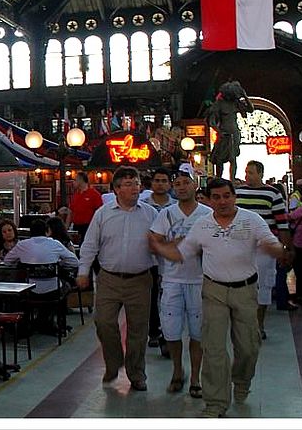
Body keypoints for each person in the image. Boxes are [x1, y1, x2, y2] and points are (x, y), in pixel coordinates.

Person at [150, 177, 286, 419]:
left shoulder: (251, 219)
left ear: (234, 197)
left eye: (226, 196)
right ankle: (215, 403)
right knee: (213, 348)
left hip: (245, 291)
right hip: (213, 290)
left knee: (248, 347)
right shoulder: (202, 225)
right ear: (209, 200)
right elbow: (182, 253)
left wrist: (276, 248)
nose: (222, 201)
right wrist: (160, 248)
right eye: (216, 197)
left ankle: (242, 380)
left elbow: (270, 241)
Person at [76, 166, 158, 392]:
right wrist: (83, 271)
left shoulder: (151, 214)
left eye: (137, 183)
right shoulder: (103, 213)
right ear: (117, 189)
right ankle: (113, 363)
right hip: (109, 279)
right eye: (129, 184)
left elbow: (160, 245)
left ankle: (136, 373)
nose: (135, 188)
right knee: (103, 322)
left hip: (141, 279)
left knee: (138, 330)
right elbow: (90, 244)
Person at [148, 165, 212, 398]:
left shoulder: (207, 214)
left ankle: (196, 377)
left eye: (186, 182)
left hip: (199, 281)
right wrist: (174, 247)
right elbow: (153, 242)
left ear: (195, 185)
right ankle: (178, 370)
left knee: (197, 333)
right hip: (172, 280)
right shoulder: (166, 214)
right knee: (172, 332)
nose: (182, 187)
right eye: (178, 184)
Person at [235, 160, 290, 339]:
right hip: (241, 247)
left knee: (263, 286)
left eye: (251, 172)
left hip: (264, 248)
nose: (247, 176)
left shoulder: (272, 194)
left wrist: (284, 248)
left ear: (260, 173)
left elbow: (282, 223)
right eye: (246, 172)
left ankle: (259, 325)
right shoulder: (238, 192)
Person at [140, 168, 175, 352]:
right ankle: (154, 332)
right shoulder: (142, 205)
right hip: (150, 259)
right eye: (157, 180)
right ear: (151, 183)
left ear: (169, 184)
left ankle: (169, 335)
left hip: (172, 260)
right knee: (152, 298)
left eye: (164, 181)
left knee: (170, 299)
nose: (160, 184)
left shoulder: (177, 207)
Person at [7, 217, 79, 286]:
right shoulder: (55, 244)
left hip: (28, 289)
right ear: (47, 231)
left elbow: (7, 261)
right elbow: (75, 262)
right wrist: (58, 264)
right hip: (53, 290)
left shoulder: (21, 245)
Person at [68, 172, 103, 244]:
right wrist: (66, 227)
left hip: (89, 227)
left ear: (81, 180)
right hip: (76, 227)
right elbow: (70, 212)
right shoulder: (75, 195)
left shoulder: (94, 194)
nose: (73, 183)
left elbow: (100, 212)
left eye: (75, 180)